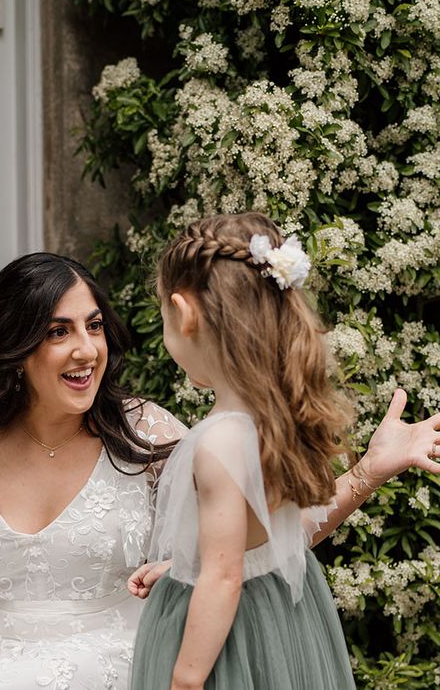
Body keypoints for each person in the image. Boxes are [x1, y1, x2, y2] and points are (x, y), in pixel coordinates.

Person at [0, 252, 440, 689]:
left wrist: (365, 476)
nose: (87, 348)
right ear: (16, 346)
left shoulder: (147, 433)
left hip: (120, 659)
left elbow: (258, 546)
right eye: (58, 331)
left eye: (93, 326)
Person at [128, 213, 440, 690]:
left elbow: (225, 577)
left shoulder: (218, 439)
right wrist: (183, 564)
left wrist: (185, 681)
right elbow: (264, 540)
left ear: (184, 313)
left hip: (231, 642)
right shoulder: (280, 416)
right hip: (284, 618)